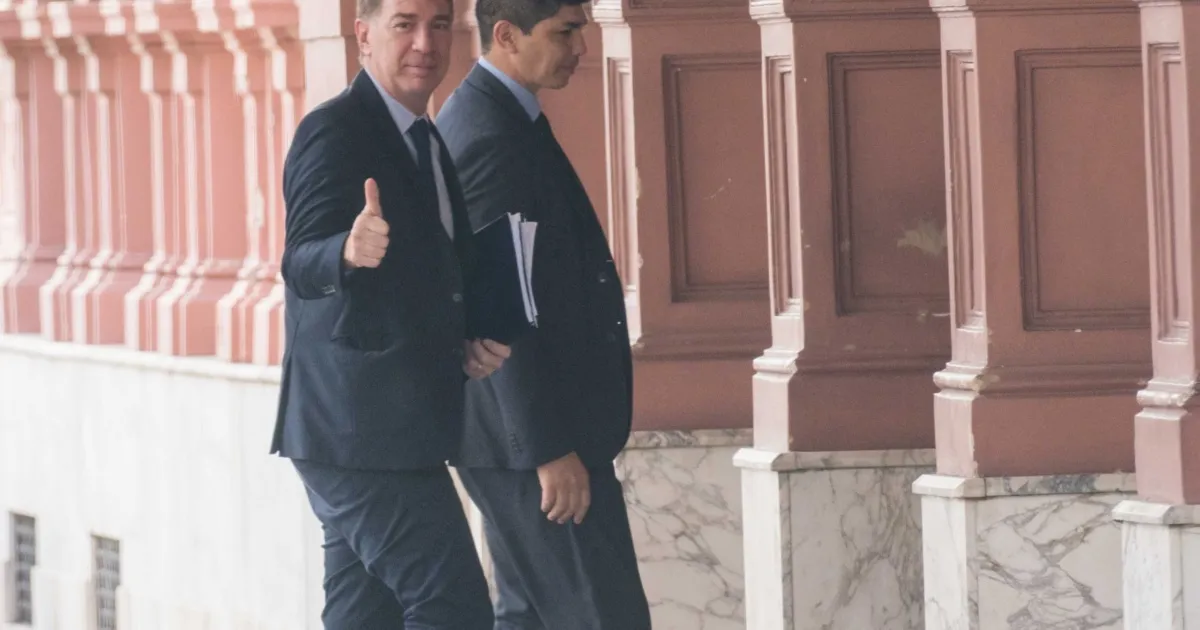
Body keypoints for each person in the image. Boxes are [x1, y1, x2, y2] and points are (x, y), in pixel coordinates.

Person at [270, 0, 511, 624]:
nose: (425, 43)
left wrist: (466, 338)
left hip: (391, 427)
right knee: (453, 608)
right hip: (360, 433)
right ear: (364, 35)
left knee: (363, 615)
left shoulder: (424, 136)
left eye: (439, 25)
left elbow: (429, 274)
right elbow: (299, 261)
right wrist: (346, 251)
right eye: (404, 24)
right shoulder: (334, 130)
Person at [435, 0, 652, 627]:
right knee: (602, 617)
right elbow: (498, 311)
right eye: (565, 32)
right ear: (507, 35)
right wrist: (547, 447)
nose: (581, 48)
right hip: (535, 446)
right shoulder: (488, 132)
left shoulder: (501, 115)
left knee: (529, 617)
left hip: (524, 442)